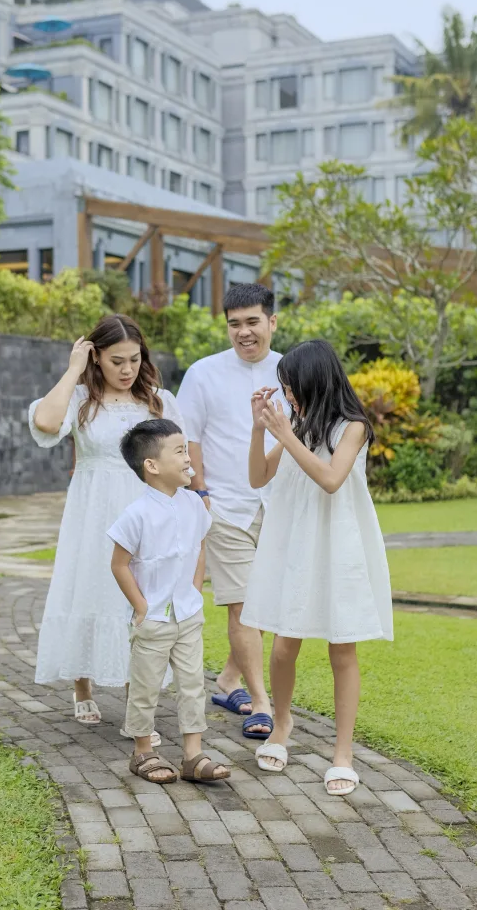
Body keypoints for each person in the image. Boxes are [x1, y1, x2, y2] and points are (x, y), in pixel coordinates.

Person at [242, 339, 393, 792]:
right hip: (294, 547)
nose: (286, 395)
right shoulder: (297, 424)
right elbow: (257, 478)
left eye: (291, 387)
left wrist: (286, 433)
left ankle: (342, 753)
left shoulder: (353, 427)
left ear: (313, 381)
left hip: (337, 547)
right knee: (285, 644)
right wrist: (258, 431)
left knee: (341, 650)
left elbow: (330, 480)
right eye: (284, 389)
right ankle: (282, 725)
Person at [28, 314, 185, 741]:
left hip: (145, 509)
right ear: (97, 357)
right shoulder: (79, 398)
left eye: (134, 359)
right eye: (116, 360)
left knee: (141, 598)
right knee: (91, 587)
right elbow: (44, 423)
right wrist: (74, 368)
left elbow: (177, 459)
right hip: (93, 512)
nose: (127, 369)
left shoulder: (158, 401)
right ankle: (82, 686)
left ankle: (140, 703)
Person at [176, 283, 288, 739]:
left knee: (269, 606)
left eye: (252, 322)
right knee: (241, 605)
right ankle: (262, 703)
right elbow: (189, 439)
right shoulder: (203, 373)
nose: (243, 332)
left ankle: (227, 682)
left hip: (281, 505)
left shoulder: (288, 370)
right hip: (226, 505)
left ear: (272, 322)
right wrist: (201, 493)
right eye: (234, 324)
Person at [108, 419, 231, 785]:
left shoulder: (195, 504)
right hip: (155, 619)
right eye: (179, 451)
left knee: (193, 684)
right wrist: (142, 608)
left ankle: (193, 755)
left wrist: (194, 589)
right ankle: (143, 751)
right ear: (152, 465)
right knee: (146, 687)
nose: (188, 456)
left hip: (188, 614)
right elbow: (119, 565)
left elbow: (200, 548)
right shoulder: (136, 515)